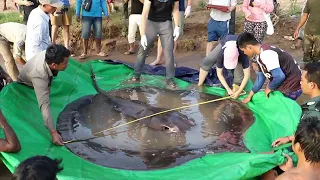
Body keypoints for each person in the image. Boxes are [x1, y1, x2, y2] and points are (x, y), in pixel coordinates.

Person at [17, 44, 70, 146]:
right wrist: (53, 132)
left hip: (40, 75)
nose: (67, 64)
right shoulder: (40, 75)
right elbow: (44, 105)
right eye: (65, 63)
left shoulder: (49, 54)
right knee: (42, 105)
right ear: (54, 65)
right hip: (26, 85)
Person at [237, 32, 302, 103]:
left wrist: (269, 87)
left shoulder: (266, 54)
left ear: (249, 47)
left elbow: (279, 76)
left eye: (243, 51)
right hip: (288, 83)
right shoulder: (260, 55)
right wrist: (249, 96)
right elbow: (260, 78)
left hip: (292, 86)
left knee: (278, 107)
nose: (244, 53)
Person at [131, 0, 181, 88]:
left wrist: (177, 26)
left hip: (166, 23)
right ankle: (136, 75)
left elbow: (175, 10)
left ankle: (170, 79)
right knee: (143, 50)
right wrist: (142, 34)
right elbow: (145, 13)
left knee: (169, 52)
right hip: (151, 23)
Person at [198, 35, 251, 99]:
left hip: (238, 50)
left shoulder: (243, 54)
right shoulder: (221, 54)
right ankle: (199, 84)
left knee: (238, 78)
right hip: (226, 42)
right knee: (207, 62)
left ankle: (235, 90)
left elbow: (247, 75)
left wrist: (238, 92)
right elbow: (219, 74)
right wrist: (228, 89)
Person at [149, 0, 192, 65]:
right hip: (164, 7)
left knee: (175, 35)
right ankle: (158, 59)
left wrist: (189, 6)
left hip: (179, 8)